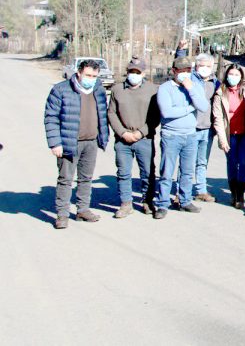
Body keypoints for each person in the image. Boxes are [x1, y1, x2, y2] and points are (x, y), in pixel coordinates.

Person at [44, 59, 110, 229]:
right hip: (69, 142)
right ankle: (62, 215)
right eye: (88, 75)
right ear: (79, 73)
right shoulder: (61, 90)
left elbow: (103, 114)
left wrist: (103, 136)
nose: (91, 78)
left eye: (95, 76)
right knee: (65, 179)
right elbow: (51, 117)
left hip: (91, 141)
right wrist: (55, 143)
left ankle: (83, 209)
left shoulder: (98, 90)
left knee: (86, 179)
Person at [155, 56, 210, 220]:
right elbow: (167, 112)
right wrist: (188, 108)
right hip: (171, 135)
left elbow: (203, 106)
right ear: (174, 71)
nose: (185, 74)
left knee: (187, 172)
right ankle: (162, 203)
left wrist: (191, 89)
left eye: (188, 70)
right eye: (181, 71)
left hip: (190, 135)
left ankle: (185, 201)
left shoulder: (195, 86)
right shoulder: (165, 88)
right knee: (166, 172)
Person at [107, 57, 159, 218]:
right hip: (123, 140)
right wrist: (123, 133)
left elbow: (156, 116)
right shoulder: (117, 89)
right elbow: (111, 113)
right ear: (127, 72)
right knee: (123, 172)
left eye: (137, 72)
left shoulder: (153, 90)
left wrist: (140, 132)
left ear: (143, 73)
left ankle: (147, 200)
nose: (134, 75)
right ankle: (125, 203)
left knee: (148, 172)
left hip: (144, 138)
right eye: (131, 72)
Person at [212, 64, 245, 210]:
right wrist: (222, 139)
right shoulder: (220, 92)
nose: (233, 77)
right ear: (226, 75)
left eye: (237, 75)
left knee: (244, 163)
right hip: (229, 133)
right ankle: (233, 192)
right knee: (232, 163)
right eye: (231, 74)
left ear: (241, 77)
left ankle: (240, 194)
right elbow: (218, 118)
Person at [191, 53, 220, 203]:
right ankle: (181, 190)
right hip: (191, 128)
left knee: (202, 162)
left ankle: (201, 190)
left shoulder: (215, 83)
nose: (204, 69)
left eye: (208, 66)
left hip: (207, 129)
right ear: (195, 66)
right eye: (201, 65)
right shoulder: (189, 80)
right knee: (187, 161)